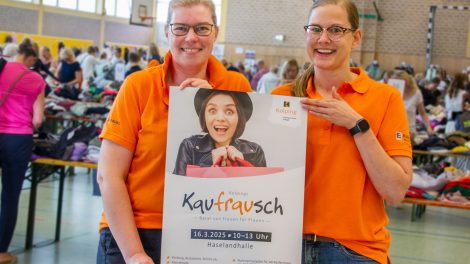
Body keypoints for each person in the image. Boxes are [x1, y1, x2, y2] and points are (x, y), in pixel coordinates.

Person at [96, 0, 251, 263]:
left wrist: (209, 98)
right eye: (180, 28)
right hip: (136, 233)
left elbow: (241, 175)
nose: (191, 37)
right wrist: (134, 253)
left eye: (202, 28)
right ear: (167, 32)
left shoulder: (236, 85)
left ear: (215, 32)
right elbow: (108, 175)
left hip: (207, 230)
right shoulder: (138, 85)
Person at [271, 1, 412, 263]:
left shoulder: (385, 98)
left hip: (355, 252)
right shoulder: (282, 98)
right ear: (306, 34)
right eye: (316, 29)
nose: (324, 39)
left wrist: (357, 125)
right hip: (285, 247)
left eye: (336, 29)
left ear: (356, 37)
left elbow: (395, 192)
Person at [0, 38, 45, 264]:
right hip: (18, 140)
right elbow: (38, 119)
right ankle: (1, 251)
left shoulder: (1, 67)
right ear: (32, 58)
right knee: (10, 195)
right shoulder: (36, 79)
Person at [173, 89, 266, 175]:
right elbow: (179, 189)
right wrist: (210, 164)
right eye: (212, 111)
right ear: (204, 116)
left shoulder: (255, 151)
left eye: (229, 112)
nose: (220, 118)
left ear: (239, 118)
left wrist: (241, 166)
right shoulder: (189, 147)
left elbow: (261, 190)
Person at [389, 70, 433, 139]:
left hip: (408, 131)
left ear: (405, 81)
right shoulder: (393, 93)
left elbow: (423, 113)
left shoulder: (417, 93)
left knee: (400, 141)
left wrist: (428, 127)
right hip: (392, 130)